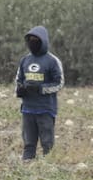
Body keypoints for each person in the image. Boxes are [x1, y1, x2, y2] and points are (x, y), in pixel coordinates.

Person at [14, 25, 64, 160]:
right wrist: (20, 90)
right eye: (30, 39)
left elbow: (59, 83)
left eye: (36, 39)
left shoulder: (52, 61)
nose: (32, 42)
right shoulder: (25, 60)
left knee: (47, 145)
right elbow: (18, 80)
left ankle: (49, 173)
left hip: (45, 110)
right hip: (28, 110)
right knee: (28, 145)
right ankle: (26, 172)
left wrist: (41, 89)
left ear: (43, 41)